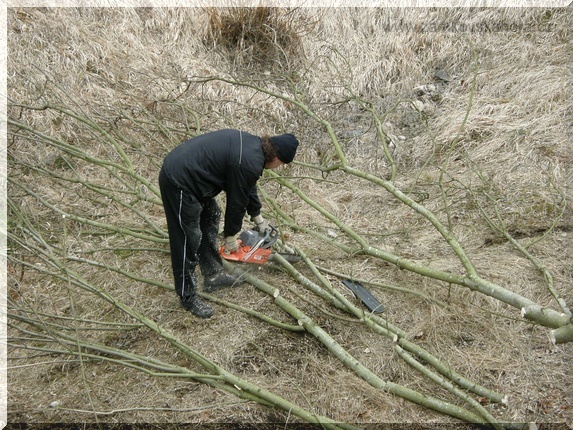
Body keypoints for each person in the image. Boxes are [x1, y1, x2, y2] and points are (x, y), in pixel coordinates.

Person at [158, 128, 299, 318]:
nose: (278, 167)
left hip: (197, 177)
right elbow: (236, 202)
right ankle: (187, 296)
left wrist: (258, 217)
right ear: (277, 157)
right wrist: (231, 236)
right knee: (187, 238)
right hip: (180, 180)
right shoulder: (250, 161)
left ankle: (213, 274)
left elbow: (247, 186)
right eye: (281, 164)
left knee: (211, 215)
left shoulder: (253, 148)